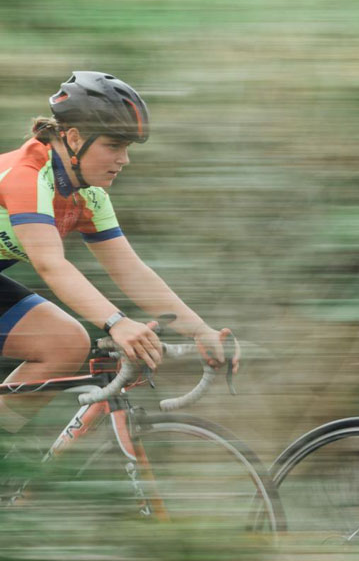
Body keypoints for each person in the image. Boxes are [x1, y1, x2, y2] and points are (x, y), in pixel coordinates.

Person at [0, 72, 235, 446]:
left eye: (127, 148)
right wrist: (116, 323)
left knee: (64, 343)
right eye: (113, 145)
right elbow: (50, 264)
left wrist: (200, 330)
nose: (123, 159)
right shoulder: (27, 176)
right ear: (74, 137)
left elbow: (130, 271)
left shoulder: (88, 197)